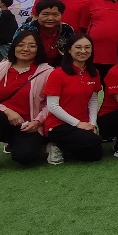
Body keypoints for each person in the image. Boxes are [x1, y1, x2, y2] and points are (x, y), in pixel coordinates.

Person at [0, 30, 54, 172]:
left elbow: (52, 104)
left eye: (32, 46)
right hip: (5, 122)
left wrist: (37, 122)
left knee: (25, 158)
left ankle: (29, 144)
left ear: (38, 49)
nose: (26, 49)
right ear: (14, 47)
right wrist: (8, 111)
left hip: (30, 126)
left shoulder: (47, 72)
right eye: (21, 45)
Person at [41, 34, 105, 163]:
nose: (83, 51)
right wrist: (78, 124)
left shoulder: (94, 73)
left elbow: (93, 100)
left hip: (83, 123)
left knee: (95, 155)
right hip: (58, 124)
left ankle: (62, 147)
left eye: (87, 47)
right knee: (93, 141)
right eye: (78, 47)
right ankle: (54, 145)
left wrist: (92, 124)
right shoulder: (57, 74)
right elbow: (53, 106)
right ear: (69, 50)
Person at [13, 0, 74, 67]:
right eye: (45, 14)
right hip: (29, 67)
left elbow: (71, 54)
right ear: (38, 15)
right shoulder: (25, 30)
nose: (50, 18)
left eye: (55, 14)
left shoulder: (66, 30)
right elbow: (15, 52)